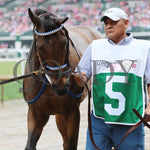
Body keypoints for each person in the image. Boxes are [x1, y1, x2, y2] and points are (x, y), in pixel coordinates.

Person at [74, 7, 150, 150]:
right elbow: (82, 76)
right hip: (99, 121)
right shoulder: (94, 47)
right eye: (106, 23)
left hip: (130, 121)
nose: (108, 26)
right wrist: (79, 78)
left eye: (113, 22)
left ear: (126, 23)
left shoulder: (144, 48)